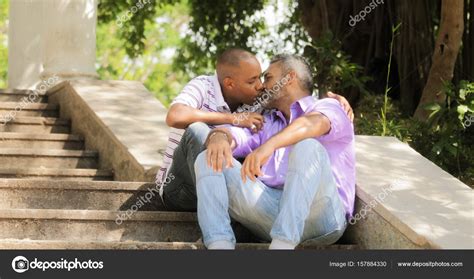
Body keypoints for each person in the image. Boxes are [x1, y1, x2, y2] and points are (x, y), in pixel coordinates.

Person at [159, 48, 354, 212]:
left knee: (244, 156)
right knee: (198, 130)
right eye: (252, 81)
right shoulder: (204, 85)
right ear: (229, 83)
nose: (260, 86)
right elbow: (175, 116)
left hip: (221, 188)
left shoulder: (259, 104)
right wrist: (233, 119)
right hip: (182, 188)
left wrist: (336, 104)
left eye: (262, 79)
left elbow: (295, 103)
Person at [194, 54, 355, 249]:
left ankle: (282, 247)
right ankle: (219, 247)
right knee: (208, 158)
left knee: (307, 146)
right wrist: (219, 137)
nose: (262, 85)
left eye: (268, 77)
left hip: (323, 215)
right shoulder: (269, 122)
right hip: (272, 213)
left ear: (289, 78)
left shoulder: (329, 106)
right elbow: (237, 135)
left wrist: (269, 145)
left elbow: (312, 124)